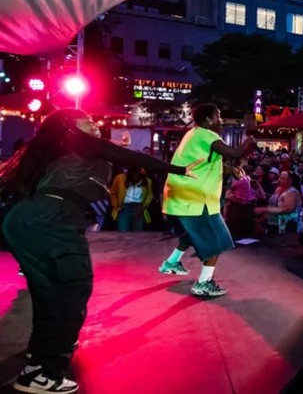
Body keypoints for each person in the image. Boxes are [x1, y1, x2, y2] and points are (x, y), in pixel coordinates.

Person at [1, 108, 198, 394]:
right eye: (88, 120)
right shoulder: (78, 140)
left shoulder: (60, 148)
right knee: (71, 290)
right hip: (53, 220)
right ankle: (43, 372)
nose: (94, 124)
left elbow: (116, 154)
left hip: (30, 219)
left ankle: (41, 354)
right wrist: (180, 169)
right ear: (71, 125)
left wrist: (118, 147)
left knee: (49, 292)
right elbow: (133, 158)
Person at [158, 104, 255, 298]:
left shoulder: (193, 135)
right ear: (209, 119)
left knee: (193, 234)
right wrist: (249, 139)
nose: (222, 120)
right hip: (196, 199)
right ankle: (204, 282)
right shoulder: (208, 136)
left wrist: (230, 170)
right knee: (216, 240)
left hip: (184, 197)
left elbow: (205, 163)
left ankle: (172, 262)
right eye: (219, 116)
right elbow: (236, 153)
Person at [109, 167, 153, 232]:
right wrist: (117, 205)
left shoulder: (147, 181)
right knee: (123, 232)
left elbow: (150, 195)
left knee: (138, 233)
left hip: (138, 208)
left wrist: (144, 206)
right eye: (134, 175)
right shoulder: (120, 178)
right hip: (124, 207)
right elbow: (113, 192)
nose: (135, 176)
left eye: (137, 175)